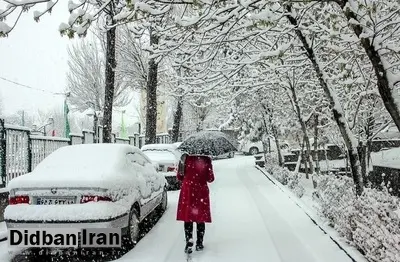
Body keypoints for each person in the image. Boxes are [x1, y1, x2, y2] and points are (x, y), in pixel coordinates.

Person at [176, 153, 215, 254]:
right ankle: (199, 243)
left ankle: (189, 240)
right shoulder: (206, 160)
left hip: (188, 190)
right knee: (200, 217)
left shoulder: (184, 158)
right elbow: (210, 179)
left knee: (188, 217)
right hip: (201, 191)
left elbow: (180, 177)